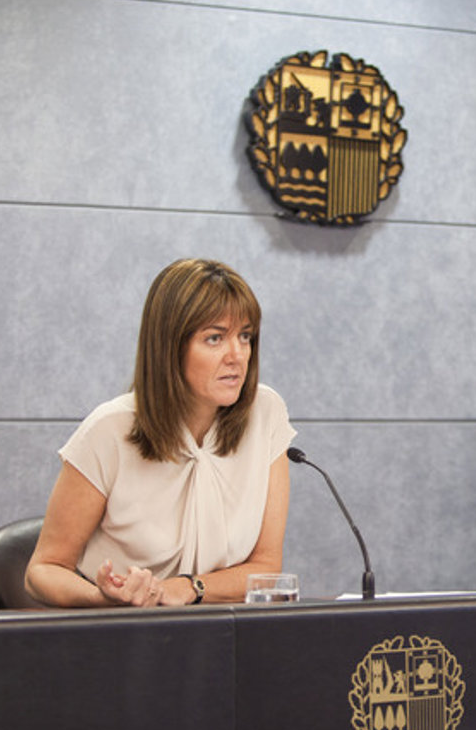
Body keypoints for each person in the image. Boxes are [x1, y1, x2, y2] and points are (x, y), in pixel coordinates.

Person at [25, 258, 296, 607]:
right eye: (215, 338)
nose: (237, 355)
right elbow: (43, 570)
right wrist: (107, 600)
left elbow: (266, 567)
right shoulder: (109, 430)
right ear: (170, 347)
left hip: (223, 630)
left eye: (245, 336)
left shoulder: (265, 412)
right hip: (123, 630)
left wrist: (185, 588)